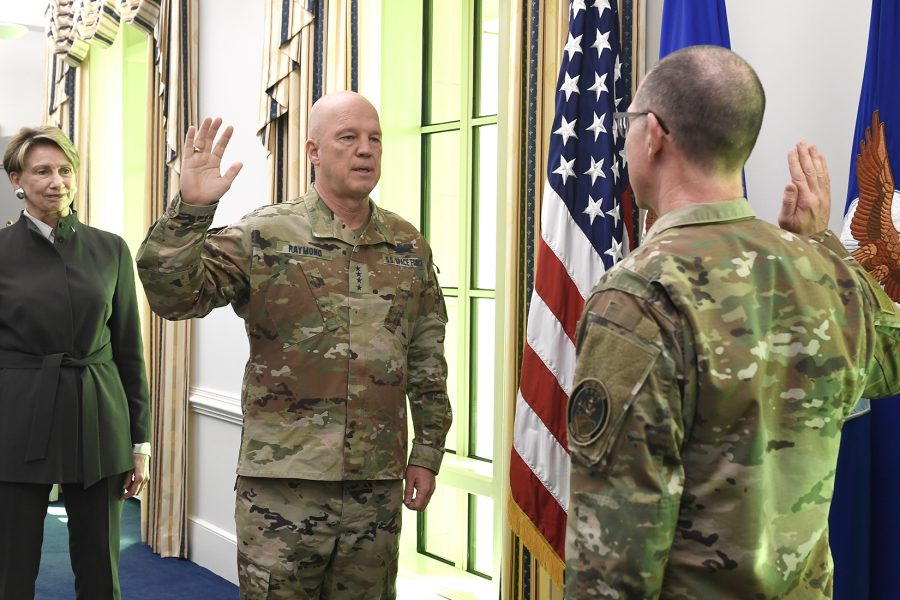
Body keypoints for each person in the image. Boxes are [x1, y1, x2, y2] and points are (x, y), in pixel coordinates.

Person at [565, 45, 900, 598]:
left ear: (653, 135)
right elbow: (889, 363)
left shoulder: (640, 296)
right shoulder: (826, 274)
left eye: (627, 124)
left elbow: (613, 559)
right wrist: (819, 246)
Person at [136, 90, 452, 598]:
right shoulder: (265, 234)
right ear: (313, 151)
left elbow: (425, 355)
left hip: (375, 486)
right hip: (283, 490)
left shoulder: (407, 245)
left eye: (373, 139)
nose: (365, 150)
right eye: (347, 138)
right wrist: (192, 209)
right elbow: (174, 297)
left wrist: (428, 450)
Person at [0, 126, 151, 599]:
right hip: (18, 417)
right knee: (12, 563)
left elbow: (129, 348)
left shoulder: (110, 249)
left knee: (99, 565)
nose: (56, 181)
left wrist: (139, 441)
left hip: (98, 413)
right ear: (16, 181)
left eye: (65, 170)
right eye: (42, 171)